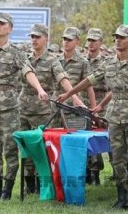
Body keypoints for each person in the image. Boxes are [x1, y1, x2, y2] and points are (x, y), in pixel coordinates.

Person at [57, 24, 128, 210]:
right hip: (114, 118)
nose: (117, 40)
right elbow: (89, 80)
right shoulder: (109, 63)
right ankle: (121, 195)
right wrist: (69, 94)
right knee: (117, 158)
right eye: (116, 36)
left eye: (122, 37)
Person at [0, 12, 49, 201]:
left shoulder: (16, 52)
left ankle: (7, 191)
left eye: (1, 23)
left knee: (9, 150)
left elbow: (28, 72)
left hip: (9, 108)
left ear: (9, 28)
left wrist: (40, 89)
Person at [19, 23, 83, 193]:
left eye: (37, 37)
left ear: (45, 38)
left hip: (43, 112)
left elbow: (63, 79)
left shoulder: (52, 60)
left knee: (42, 149)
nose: (34, 40)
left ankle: (44, 185)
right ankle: (29, 185)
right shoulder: (25, 58)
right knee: (25, 148)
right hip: (24, 109)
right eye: (32, 37)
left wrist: (74, 97)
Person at [55, 27, 95, 129]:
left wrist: (94, 110)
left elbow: (89, 87)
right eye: (64, 39)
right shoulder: (55, 60)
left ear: (77, 41)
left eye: (69, 40)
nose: (66, 42)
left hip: (72, 108)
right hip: (55, 107)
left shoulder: (82, 62)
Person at [85, 28, 109, 186]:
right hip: (84, 103)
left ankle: (97, 172)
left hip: (103, 104)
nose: (91, 43)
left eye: (94, 40)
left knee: (104, 139)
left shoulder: (106, 62)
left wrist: (99, 106)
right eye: (89, 40)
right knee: (84, 138)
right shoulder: (82, 61)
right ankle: (88, 173)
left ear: (100, 43)